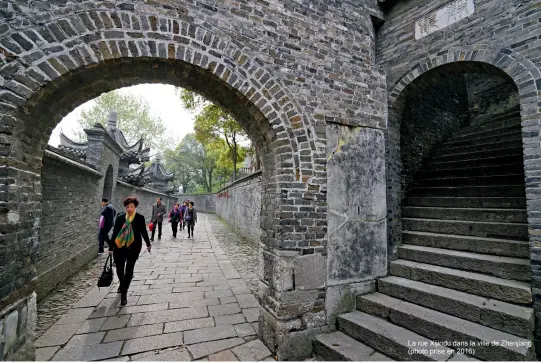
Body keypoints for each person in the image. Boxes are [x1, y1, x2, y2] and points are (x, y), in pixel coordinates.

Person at [109, 196, 151, 306]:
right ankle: (122, 284)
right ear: (125, 207)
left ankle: (124, 293)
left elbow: (143, 232)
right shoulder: (120, 217)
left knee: (129, 270)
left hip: (134, 247)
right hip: (119, 247)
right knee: (119, 268)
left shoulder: (139, 218)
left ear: (135, 207)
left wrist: (148, 243)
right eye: (128, 207)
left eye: (132, 207)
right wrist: (110, 247)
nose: (129, 209)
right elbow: (115, 233)